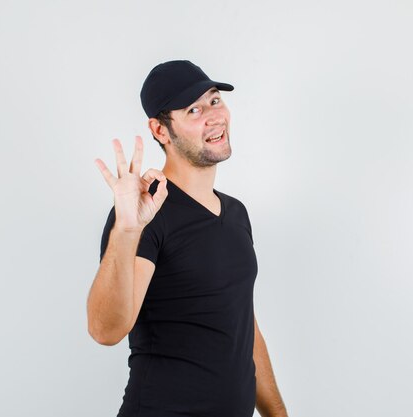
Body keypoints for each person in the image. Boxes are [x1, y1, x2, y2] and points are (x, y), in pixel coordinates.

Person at [87, 60, 289, 417]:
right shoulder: (145, 212)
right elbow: (106, 330)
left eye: (214, 101)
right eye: (193, 109)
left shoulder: (236, 213)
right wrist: (128, 229)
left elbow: (243, 327)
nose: (213, 116)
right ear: (161, 131)